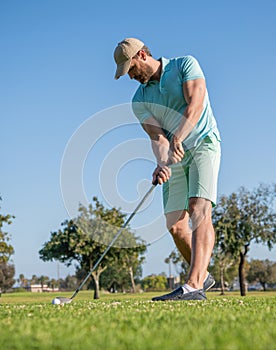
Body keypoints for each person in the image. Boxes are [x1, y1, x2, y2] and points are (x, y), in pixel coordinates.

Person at [113, 38, 221, 301]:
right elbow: (157, 137)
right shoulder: (139, 98)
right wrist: (162, 163)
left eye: (131, 69)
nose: (131, 77)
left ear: (141, 55)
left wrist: (179, 137)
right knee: (175, 225)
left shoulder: (184, 65)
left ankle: (193, 285)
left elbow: (195, 105)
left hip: (203, 144)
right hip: (175, 155)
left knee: (199, 208)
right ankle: (202, 276)